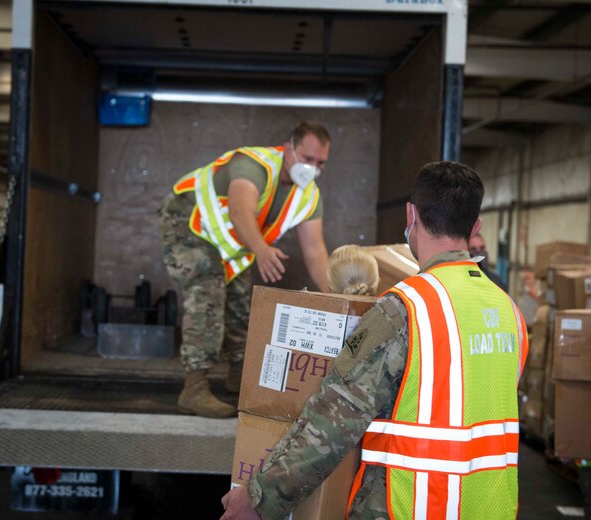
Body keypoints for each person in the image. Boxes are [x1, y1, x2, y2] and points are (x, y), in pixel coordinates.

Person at [220, 161, 529, 519]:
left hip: (413, 504)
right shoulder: (509, 311)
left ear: (411, 215)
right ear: (475, 225)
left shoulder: (407, 308)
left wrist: (259, 501)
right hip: (490, 507)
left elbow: (333, 421)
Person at [158, 121, 331, 418]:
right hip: (188, 223)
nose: (312, 168)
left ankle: (239, 377)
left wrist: (338, 297)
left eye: (320, 163)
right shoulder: (255, 166)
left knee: (240, 298)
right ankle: (194, 388)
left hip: (228, 243)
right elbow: (240, 211)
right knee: (208, 290)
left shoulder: (308, 196)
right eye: (307, 158)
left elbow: (315, 251)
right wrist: (262, 250)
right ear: (289, 148)